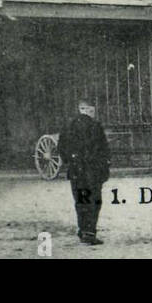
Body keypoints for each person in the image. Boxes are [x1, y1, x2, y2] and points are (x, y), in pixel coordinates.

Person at [57, 99, 110, 246]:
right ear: (84, 109)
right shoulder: (95, 126)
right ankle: (90, 233)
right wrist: (104, 168)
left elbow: (61, 148)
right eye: (91, 111)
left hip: (76, 172)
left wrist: (71, 160)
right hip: (93, 171)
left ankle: (82, 230)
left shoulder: (68, 126)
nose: (93, 114)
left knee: (81, 201)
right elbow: (103, 149)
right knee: (94, 201)